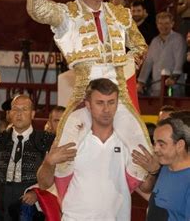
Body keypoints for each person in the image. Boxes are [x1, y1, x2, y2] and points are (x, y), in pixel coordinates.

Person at [26, 0, 151, 182]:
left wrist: (124, 66)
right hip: (85, 91)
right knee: (65, 152)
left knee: (144, 154)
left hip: (118, 91)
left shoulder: (120, 14)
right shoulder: (68, 14)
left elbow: (140, 46)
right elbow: (38, 10)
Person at [37, 78, 158, 220]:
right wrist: (49, 163)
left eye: (111, 102)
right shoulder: (72, 139)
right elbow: (44, 184)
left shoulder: (128, 141)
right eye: (100, 103)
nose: (106, 109)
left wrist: (153, 171)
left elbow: (145, 188)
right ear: (88, 105)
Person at [0, 95, 55, 221]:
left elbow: (55, 175)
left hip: (30, 203)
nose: (19, 114)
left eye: (24, 109)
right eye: (15, 109)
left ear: (33, 114)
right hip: (1, 201)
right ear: (9, 113)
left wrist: (37, 193)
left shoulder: (46, 140)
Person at [137, 117, 190, 221]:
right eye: (155, 143)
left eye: (161, 144)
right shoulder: (166, 168)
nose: (155, 149)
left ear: (180, 145)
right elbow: (159, 201)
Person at [137, 12, 186, 97]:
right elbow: (148, 63)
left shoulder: (179, 39)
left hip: (174, 87)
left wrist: (173, 78)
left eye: (167, 23)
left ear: (172, 24)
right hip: (155, 87)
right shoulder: (154, 41)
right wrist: (141, 82)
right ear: (157, 25)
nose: (163, 26)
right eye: (160, 23)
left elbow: (180, 62)